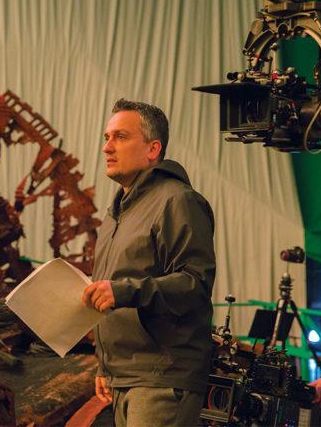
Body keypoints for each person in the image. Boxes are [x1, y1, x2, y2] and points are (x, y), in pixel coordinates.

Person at [82, 99, 215, 426]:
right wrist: (105, 365)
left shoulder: (177, 200)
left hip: (162, 375)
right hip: (125, 375)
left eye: (120, 137)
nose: (107, 147)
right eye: (106, 137)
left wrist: (123, 291)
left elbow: (195, 282)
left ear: (153, 149)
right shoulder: (116, 213)